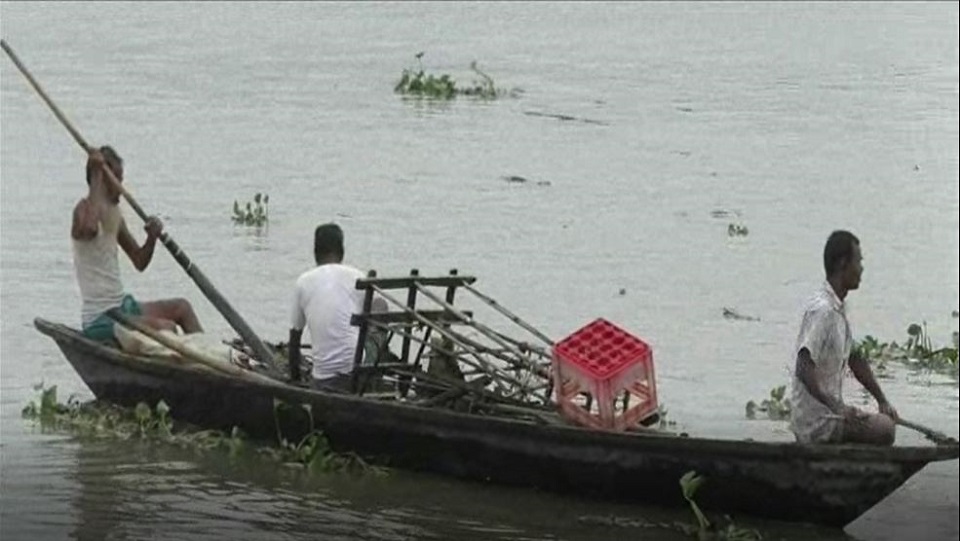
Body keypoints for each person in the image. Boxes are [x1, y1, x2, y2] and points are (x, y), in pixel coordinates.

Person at [72, 147, 202, 341]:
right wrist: (96, 176)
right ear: (103, 180)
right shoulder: (83, 210)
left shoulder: (115, 215)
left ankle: (211, 353)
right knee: (167, 329)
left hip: (122, 306)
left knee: (182, 308)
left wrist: (151, 238)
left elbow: (139, 261)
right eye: (117, 179)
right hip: (101, 318)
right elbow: (89, 230)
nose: (121, 188)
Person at [789, 230, 898, 445]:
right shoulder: (824, 311)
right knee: (885, 429)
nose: (861, 269)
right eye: (858, 261)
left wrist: (882, 401)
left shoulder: (838, 309)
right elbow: (803, 365)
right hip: (818, 422)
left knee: (884, 421)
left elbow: (855, 360)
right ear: (842, 264)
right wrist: (837, 407)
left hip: (830, 414)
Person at [288, 223, 388, 392]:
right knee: (375, 333)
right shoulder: (357, 276)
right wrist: (372, 328)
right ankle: (375, 381)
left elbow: (294, 338)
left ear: (315, 252)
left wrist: (295, 378)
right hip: (356, 373)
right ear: (342, 251)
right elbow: (382, 305)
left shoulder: (303, 282)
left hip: (322, 379)